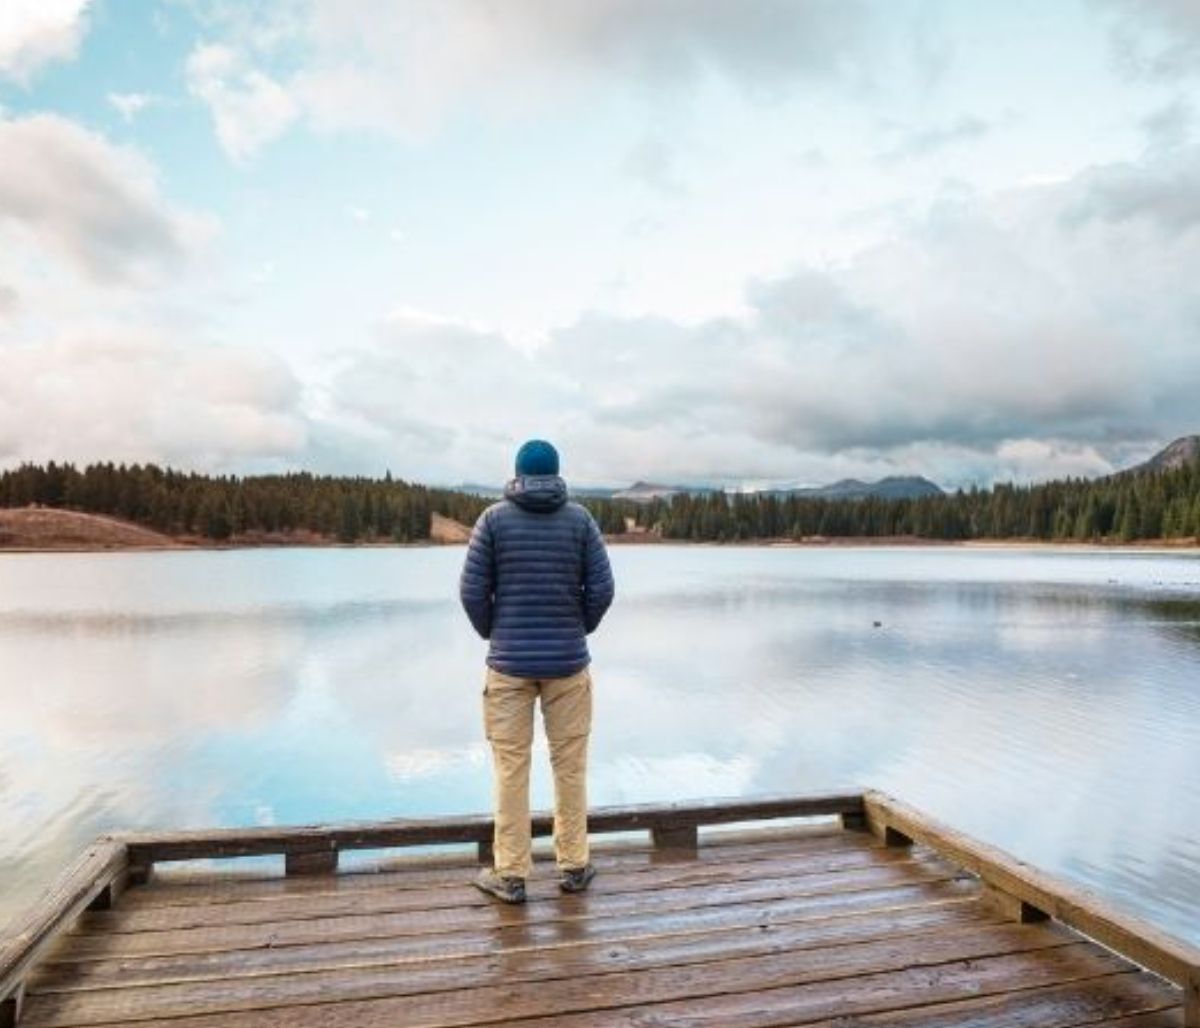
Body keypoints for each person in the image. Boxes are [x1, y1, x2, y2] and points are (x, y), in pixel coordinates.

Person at [459, 439, 615, 904]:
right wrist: (578, 627)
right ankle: (574, 866)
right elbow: (603, 588)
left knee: (511, 769)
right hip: (568, 664)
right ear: (557, 473)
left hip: (508, 666)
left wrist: (496, 633)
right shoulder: (580, 520)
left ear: (518, 474)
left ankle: (510, 874)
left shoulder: (493, 520)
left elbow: (471, 591)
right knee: (570, 766)